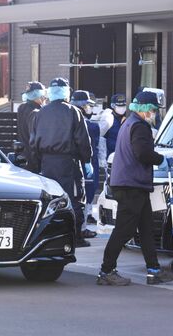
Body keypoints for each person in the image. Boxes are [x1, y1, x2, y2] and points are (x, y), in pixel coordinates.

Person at [96, 91, 173, 286]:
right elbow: (143, 153)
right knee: (124, 230)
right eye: (153, 110)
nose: (154, 114)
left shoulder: (128, 123)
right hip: (131, 185)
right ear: (145, 109)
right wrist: (162, 160)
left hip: (130, 184)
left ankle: (154, 270)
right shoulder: (140, 126)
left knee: (146, 229)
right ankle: (106, 271)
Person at [30, 77, 93, 248]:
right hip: (68, 163)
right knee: (74, 198)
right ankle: (76, 236)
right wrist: (87, 160)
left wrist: (37, 165)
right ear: (66, 92)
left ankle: (51, 236)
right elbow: (82, 140)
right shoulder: (73, 111)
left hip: (47, 164)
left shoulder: (40, 113)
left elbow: (33, 142)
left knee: (51, 200)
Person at [70, 90, 100, 238]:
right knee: (85, 196)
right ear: (82, 106)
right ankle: (81, 228)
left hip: (71, 164)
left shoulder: (66, 121)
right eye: (88, 105)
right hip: (86, 163)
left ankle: (78, 227)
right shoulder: (91, 126)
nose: (90, 108)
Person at [16, 81, 46, 172]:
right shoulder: (37, 112)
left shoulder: (21, 108)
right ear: (38, 95)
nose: (45, 98)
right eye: (43, 95)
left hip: (21, 152)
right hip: (33, 157)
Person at [100, 93, 127, 160]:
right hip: (110, 155)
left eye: (124, 105)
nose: (122, 108)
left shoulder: (127, 119)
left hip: (123, 155)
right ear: (113, 106)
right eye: (119, 106)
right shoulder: (108, 119)